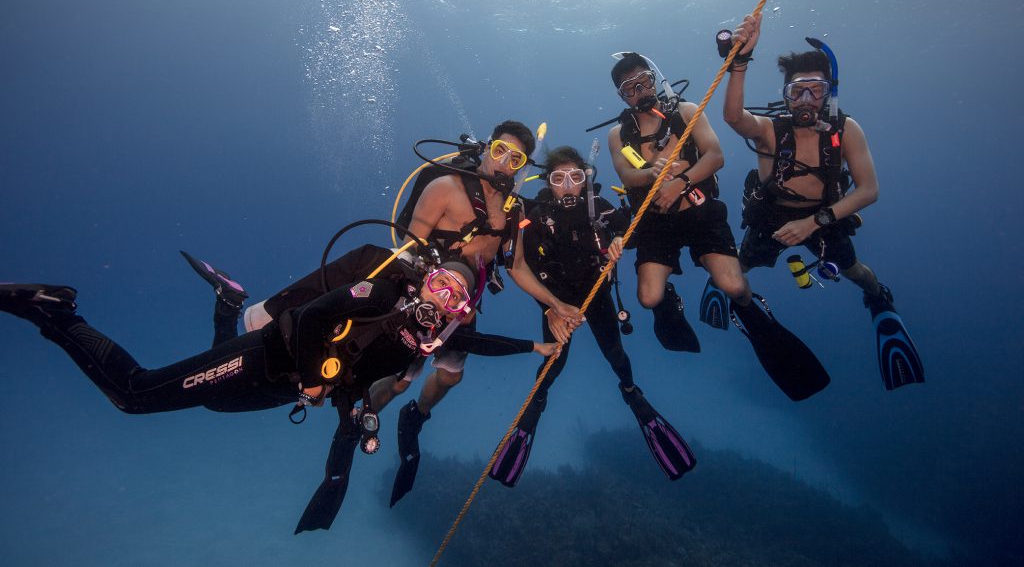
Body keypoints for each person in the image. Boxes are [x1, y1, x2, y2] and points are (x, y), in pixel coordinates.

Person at [0, 244, 561, 533]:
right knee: (135, 394)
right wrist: (320, 379)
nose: (441, 301)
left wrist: (534, 349)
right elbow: (316, 316)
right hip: (266, 356)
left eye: (456, 300)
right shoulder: (384, 291)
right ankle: (56, 314)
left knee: (215, 402)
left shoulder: (421, 342)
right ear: (426, 279)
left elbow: (460, 351)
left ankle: (226, 301)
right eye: (440, 285)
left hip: (280, 387)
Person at [369, 120, 585, 504]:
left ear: (522, 166)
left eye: (515, 158)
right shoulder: (445, 188)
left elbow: (517, 267)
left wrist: (556, 303)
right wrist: (421, 297)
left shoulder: (515, 208)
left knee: (450, 377)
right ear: (486, 148)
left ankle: (416, 416)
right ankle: (361, 417)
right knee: (399, 379)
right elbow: (407, 248)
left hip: (466, 306)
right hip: (426, 297)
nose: (504, 162)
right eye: (500, 150)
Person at [607, 52, 830, 401]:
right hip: (655, 221)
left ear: (655, 79)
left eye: (645, 81)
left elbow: (716, 156)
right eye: (630, 88)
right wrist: (649, 176)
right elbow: (625, 174)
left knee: (733, 286)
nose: (640, 91)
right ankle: (669, 300)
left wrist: (679, 181)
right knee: (648, 297)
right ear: (622, 97)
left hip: (701, 214)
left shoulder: (685, 112)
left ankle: (750, 312)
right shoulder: (617, 135)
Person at [721, 13, 924, 390]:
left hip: (824, 217)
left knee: (855, 273)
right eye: (796, 91)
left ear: (829, 93)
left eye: (815, 90)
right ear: (785, 95)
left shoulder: (846, 130)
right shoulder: (771, 130)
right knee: (736, 269)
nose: (805, 100)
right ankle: (747, 305)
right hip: (772, 218)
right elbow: (733, 116)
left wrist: (814, 223)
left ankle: (879, 298)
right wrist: (739, 63)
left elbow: (869, 190)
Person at [489, 144, 696, 486]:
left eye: (574, 177)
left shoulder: (598, 206)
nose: (567, 185)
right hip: (555, 297)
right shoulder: (537, 215)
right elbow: (525, 266)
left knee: (614, 352)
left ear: (585, 179)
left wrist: (617, 239)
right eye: (559, 178)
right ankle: (536, 403)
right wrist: (552, 308)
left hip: (595, 294)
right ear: (549, 182)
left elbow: (628, 225)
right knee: (556, 359)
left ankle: (631, 392)